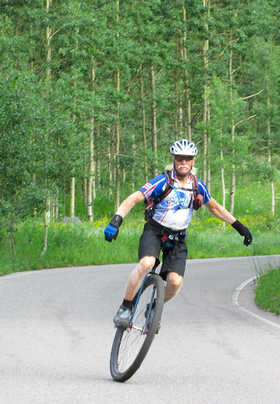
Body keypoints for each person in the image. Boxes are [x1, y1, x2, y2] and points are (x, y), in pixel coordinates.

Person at [104, 139, 253, 329]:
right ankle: (125, 308)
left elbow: (214, 207)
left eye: (188, 158)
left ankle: (154, 307)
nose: (184, 162)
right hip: (155, 231)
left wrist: (239, 227)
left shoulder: (197, 186)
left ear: (192, 162)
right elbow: (134, 198)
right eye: (180, 158)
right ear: (174, 160)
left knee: (174, 282)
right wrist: (116, 221)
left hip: (178, 237)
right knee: (147, 263)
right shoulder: (162, 181)